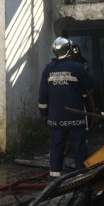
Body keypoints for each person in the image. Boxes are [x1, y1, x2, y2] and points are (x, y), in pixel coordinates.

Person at [38, 37, 94, 177]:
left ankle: (55, 177)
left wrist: (44, 113)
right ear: (69, 50)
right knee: (79, 147)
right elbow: (88, 84)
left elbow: (43, 95)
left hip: (55, 118)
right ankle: (81, 177)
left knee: (56, 147)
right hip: (75, 117)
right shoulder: (77, 67)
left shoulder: (48, 69)